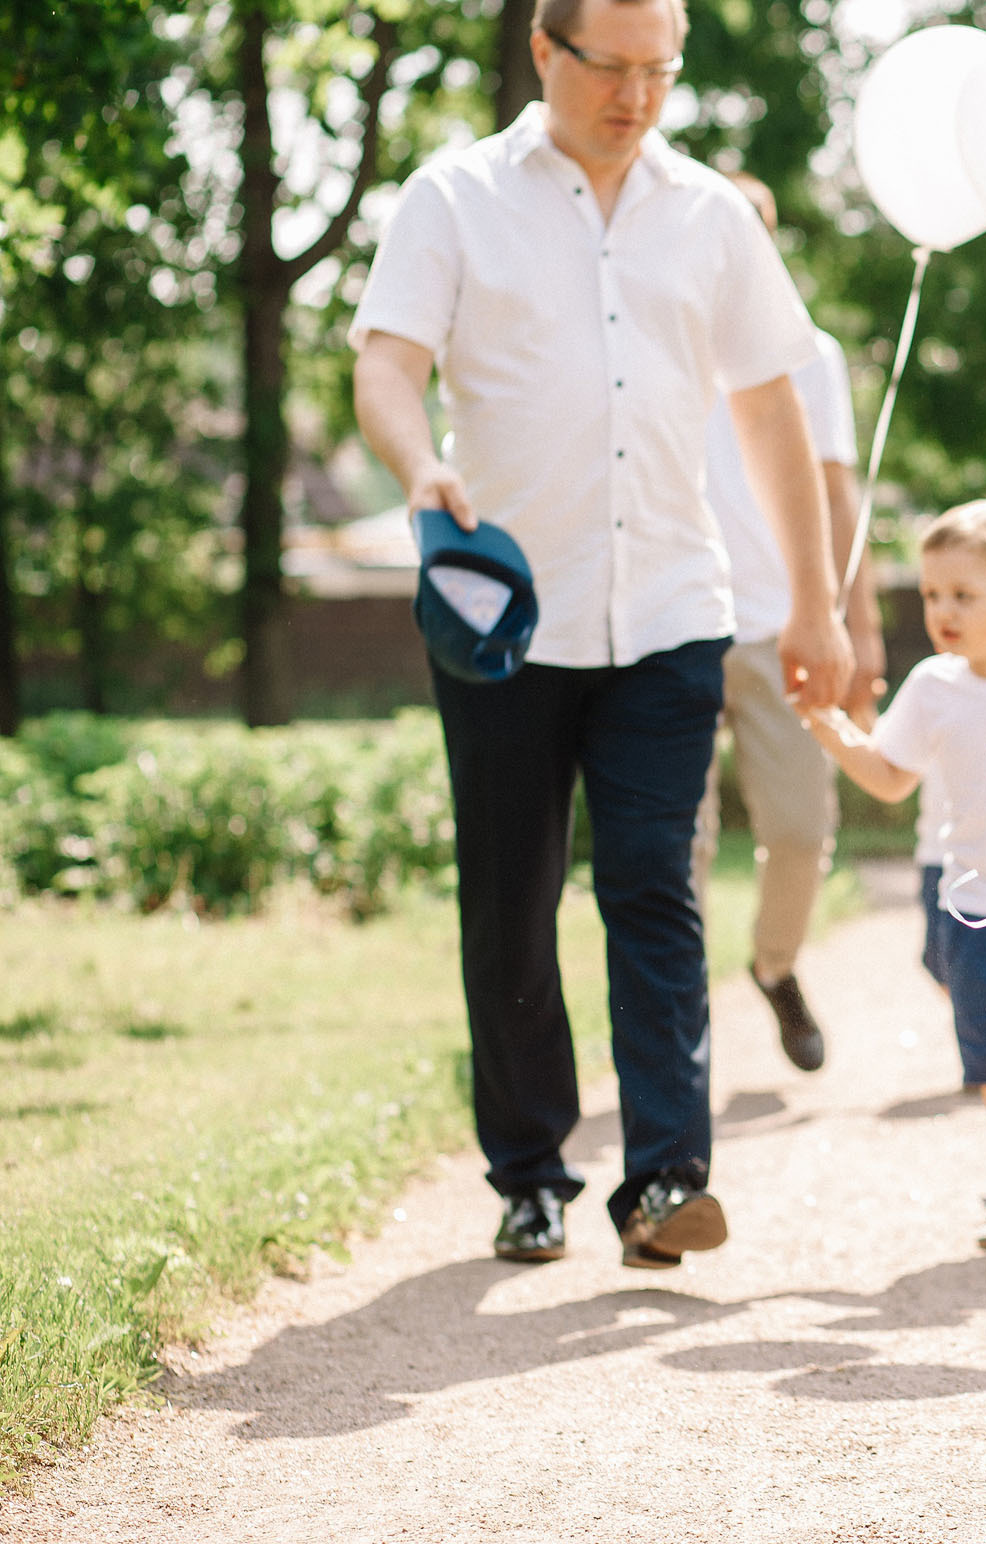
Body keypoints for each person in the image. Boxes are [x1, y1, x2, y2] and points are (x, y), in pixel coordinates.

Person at [349, 0, 852, 1271]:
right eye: (611, 67)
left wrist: (817, 600)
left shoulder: (711, 215)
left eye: (660, 70)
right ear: (544, 50)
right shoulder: (454, 197)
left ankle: (666, 1179)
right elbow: (386, 364)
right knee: (512, 895)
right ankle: (529, 1172)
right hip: (508, 614)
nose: (636, 95)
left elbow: (773, 410)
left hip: (673, 607)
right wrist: (416, 465)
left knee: (655, 884)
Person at [798, 500, 986, 1251]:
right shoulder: (933, 686)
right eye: (933, 594)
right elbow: (888, 777)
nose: (942, 610)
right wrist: (832, 729)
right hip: (976, 904)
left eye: (963, 595)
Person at [690, 172, 887, 1074]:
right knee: (675, 847)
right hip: (681, 622)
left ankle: (775, 967)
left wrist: (861, 624)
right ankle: (679, 1023)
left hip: (786, 626)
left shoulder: (810, 353)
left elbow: (841, 494)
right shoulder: (660, 336)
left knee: (803, 830)